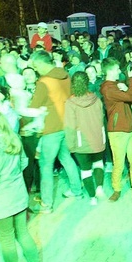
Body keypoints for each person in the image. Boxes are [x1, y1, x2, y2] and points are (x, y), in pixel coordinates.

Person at [0, 109, 46, 262]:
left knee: (6, 239)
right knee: (23, 233)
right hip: (18, 195)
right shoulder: (11, 136)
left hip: (0, 202)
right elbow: (23, 163)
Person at [28, 51, 84, 213]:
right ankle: (77, 191)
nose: (36, 69)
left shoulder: (44, 81)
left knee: (45, 165)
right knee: (66, 158)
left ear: (44, 63)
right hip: (67, 124)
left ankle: (46, 204)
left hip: (51, 128)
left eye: (36, 66)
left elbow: (34, 107)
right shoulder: (65, 75)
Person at [100, 58, 132, 202]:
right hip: (117, 131)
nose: (119, 71)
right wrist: (131, 79)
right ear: (110, 71)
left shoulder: (116, 85)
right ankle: (117, 189)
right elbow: (130, 96)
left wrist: (124, 86)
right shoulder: (108, 88)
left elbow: (128, 96)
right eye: (117, 69)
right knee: (119, 163)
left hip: (130, 129)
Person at [64, 72, 106, 205]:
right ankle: (99, 187)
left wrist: (71, 146)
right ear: (87, 82)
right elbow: (102, 118)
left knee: (86, 170)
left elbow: (70, 127)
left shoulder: (71, 103)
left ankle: (92, 197)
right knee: (98, 164)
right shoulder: (96, 99)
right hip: (98, 139)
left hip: (81, 142)